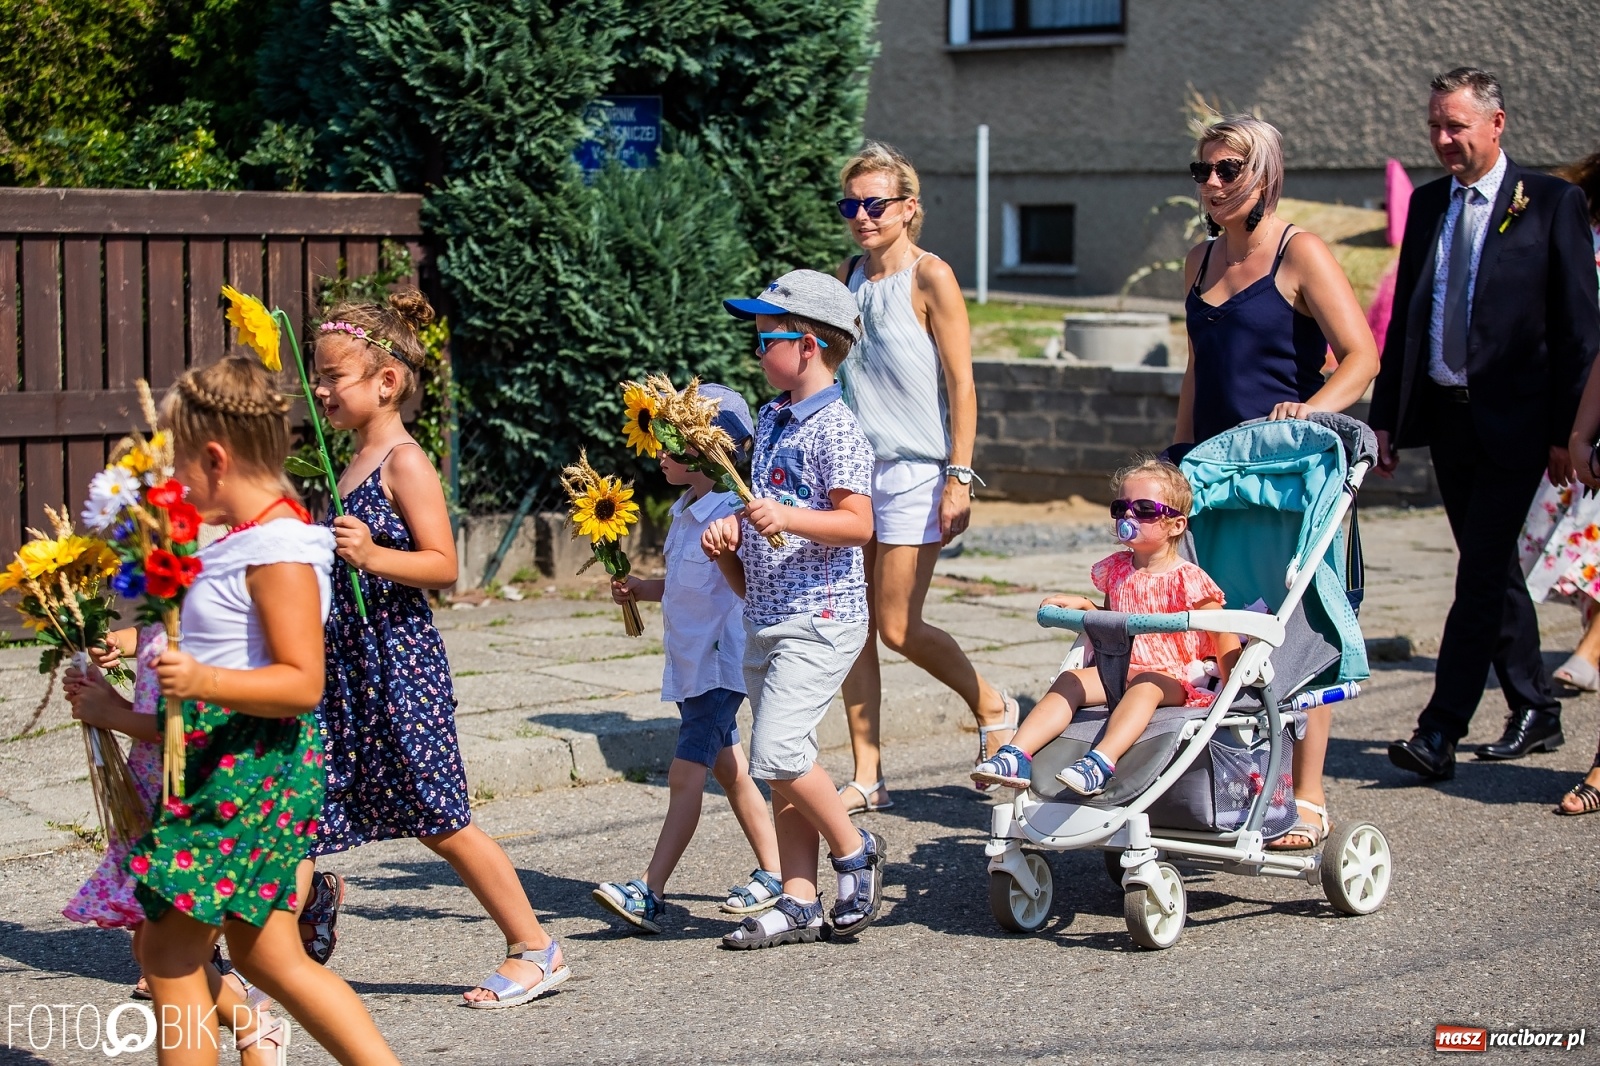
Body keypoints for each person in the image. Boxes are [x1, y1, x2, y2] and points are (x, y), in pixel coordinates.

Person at [129, 355, 399, 1066]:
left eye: (179, 465)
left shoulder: (279, 549)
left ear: (216, 460)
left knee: (169, 954)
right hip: (243, 773)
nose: (173, 484)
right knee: (270, 959)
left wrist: (197, 678)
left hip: (243, 778)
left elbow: (302, 682)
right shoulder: (253, 539)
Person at [303, 292, 568, 1008]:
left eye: (334, 375)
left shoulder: (403, 460)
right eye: (317, 375)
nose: (320, 388)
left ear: (386, 383)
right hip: (346, 663)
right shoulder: (350, 459)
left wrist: (373, 556)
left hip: (399, 661)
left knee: (440, 816)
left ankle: (535, 948)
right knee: (303, 803)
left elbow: (445, 566)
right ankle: (278, 956)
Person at [1371, 68, 1600, 783]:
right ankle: (1536, 705)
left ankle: (1438, 731)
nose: (1442, 140)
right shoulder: (1432, 204)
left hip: (1521, 424)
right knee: (1493, 569)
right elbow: (1408, 318)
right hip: (1449, 419)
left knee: (1476, 577)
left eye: (1456, 127)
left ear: (1496, 125)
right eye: (1434, 126)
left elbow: (1579, 329)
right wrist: (1385, 420)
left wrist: (1570, 431)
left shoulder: (1552, 203)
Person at [1173, 115, 1380, 849]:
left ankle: (1311, 792)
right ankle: (1233, 776)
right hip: (1217, 475)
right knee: (1220, 626)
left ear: (1264, 176)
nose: (1213, 184)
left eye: (1229, 170)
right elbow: (1198, 364)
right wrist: (1178, 454)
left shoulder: (1301, 252)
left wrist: (1311, 411)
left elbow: (1361, 357)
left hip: (1291, 472)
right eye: (1203, 171)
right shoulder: (1199, 259)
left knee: (1295, 622)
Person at [702, 269, 885, 949]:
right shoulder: (774, 417)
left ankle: (854, 848)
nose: (756, 353)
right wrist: (731, 534)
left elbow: (858, 523)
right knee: (788, 764)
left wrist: (786, 515)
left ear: (807, 345)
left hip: (821, 617)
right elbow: (763, 512)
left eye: (765, 340)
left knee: (775, 752)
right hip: (768, 614)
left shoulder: (836, 428)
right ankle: (799, 898)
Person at [833, 142, 1016, 813]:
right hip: (855, 472)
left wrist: (959, 476)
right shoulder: (850, 274)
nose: (861, 215)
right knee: (854, 624)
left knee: (898, 626)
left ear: (909, 209)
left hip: (916, 470)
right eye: (850, 204)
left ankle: (992, 704)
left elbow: (962, 382)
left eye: (874, 203)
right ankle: (868, 773)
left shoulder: (930, 276)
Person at [591, 384, 783, 932]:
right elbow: (683, 586)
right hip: (692, 663)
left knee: (685, 775)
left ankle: (650, 892)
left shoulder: (733, 515)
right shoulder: (687, 510)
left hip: (719, 667)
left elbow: (746, 588)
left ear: (704, 451)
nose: (659, 453)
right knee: (731, 768)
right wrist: (639, 588)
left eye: (671, 444)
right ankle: (773, 873)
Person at [67, 626, 283, 1065]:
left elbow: (196, 731)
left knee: (174, 955)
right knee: (158, 953)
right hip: (155, 800)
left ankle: (255, 1028)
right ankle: (253, 1028)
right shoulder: (163, 618)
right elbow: (154, 704)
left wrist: (112, 714)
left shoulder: (204, 620)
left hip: (196, 803)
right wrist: (106, 689)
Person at [972, 460, 1239, 793]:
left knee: (1145, 687)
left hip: (1172, 676)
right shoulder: (1117, 569)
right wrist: (1089, 608)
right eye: (1121, 507)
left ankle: (1101, 761)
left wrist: (1235, 688)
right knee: (1071, 680)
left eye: (1144, 509)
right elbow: (1118, 618)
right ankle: (1016, 753)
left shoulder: (1189, 579)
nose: (1129, 516)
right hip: (1121, 666)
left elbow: (1221, 630)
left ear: (1176, 525)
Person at [1517, 148, 1600, 695]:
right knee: (1581, 536)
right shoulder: (1579, 217)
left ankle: (1591, 652)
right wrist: (1574, 430)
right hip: (1587, 401)